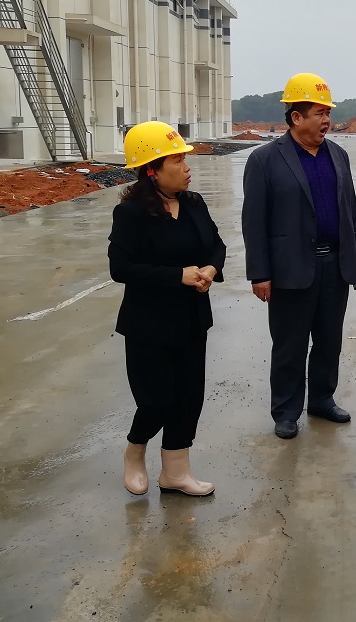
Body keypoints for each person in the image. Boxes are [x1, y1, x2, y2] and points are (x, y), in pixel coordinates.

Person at [241, 73, 356, 439]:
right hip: (289, 269)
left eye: (328, 113)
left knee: (329, 340)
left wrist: (355, 251)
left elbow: (350, 208)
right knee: (290, 345)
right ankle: (286, 410)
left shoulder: (338, 155)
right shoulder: (264, 160)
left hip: (334, 265)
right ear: (296, 117)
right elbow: (254, 222)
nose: (327, 120)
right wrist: (259, 273)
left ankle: (322, 400)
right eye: (319, 113)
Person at [108, 121, 226, 496]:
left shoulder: (194, 203)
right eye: (178, 160)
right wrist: (178, 276)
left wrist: (210, 269)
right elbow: (120, 268)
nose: (187, 167)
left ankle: (176, 472)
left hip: (192, 319)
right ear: (152, 170)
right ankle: (135, 451)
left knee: (190, 398)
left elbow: (217, 245)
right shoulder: (130, 214)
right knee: (156, 401)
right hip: (149, 324)